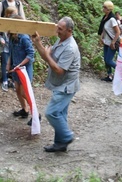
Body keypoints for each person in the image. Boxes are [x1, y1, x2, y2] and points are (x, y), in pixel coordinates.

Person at [33, 17, 81, 153]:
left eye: (60, 29)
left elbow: (59, 70)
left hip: (66, 86)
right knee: (60, 114)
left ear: (69, 31)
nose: (57, 31)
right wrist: (38, 44)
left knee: (51, 112)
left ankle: (67, 136)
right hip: (60, 84)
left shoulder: (70, 48)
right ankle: (60, 144)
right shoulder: (61, 40)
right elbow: (48, 58)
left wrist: (48, 55)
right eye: (57, 27)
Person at [0, 0, 25, 91]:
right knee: (5, 58)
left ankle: (12, 78)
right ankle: (5, 80)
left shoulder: (18, 4)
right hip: (4, 35)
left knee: (13, 58)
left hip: (15, 36)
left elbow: (23, 19)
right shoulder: (2, 5)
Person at [7, 12, 36, 120]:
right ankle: (25, 110)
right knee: (18, 90)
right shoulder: (12, 37)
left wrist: (19, 65)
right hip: (15, 68)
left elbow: (31, 54)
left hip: (24, 69)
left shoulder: (24, 38)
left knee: (25, 92)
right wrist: (9, 64)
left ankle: (36, 113)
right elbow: (11, 51)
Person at [97, 0, 120, 81]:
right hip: (106, 42)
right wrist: (102, 37)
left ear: (109, 9)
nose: (103, 8)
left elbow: (118, 32)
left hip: (112, 43)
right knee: (106, 60)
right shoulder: (105, 17)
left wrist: (113, 42)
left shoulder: (112, 19)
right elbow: (104, 28)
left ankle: (121, 71)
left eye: (105, 7)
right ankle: (109, 76)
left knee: (108, 60)